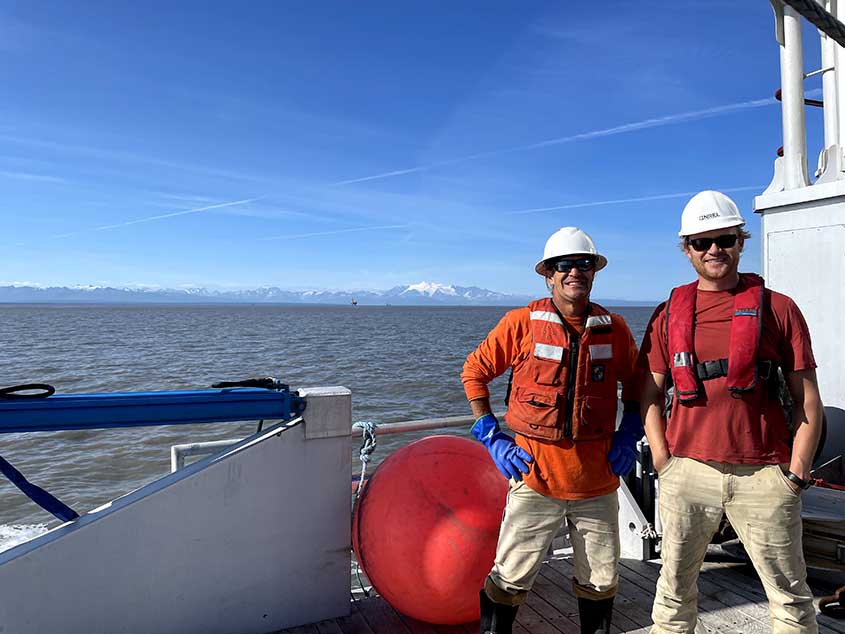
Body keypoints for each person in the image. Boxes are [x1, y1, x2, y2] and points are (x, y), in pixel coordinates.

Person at [639, 190, 824, 634]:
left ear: (742, 241)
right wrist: (665, 463)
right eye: (701, 242)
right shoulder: (667, 315)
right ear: (687, 250)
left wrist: (794, 474)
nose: (714, 250)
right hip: (687, 472)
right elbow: (648, 394)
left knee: (791, 599)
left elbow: (808, 402)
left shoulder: (779, 309)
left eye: (724, 238)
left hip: (764, 476)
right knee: (673, 593)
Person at [461, 227, 643, 634]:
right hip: (534, 477)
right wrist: (489, 431)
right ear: (549, 275)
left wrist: (629, 431)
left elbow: (637, 384)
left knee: (601, 580)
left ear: (594, 272)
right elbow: (474, 372)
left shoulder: (615, 328)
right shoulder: (520, 323)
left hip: (597, 482)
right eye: (564, 265)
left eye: (583, 264)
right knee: (509, 577)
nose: (574, 272)